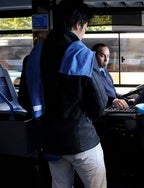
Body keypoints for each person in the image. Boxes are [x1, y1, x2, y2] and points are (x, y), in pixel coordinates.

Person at [19, 1, 108, 188]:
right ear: (78, 25)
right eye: (85, 28)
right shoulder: (81, 54)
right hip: (82, 141)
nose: (84, 33)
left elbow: (25, 100)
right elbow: (99, 101)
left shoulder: (35, 55)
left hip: (51, 141)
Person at [92, 43, 134, 109]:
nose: (106, 60)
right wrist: (112, 101)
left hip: (113, 106)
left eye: (108, 56)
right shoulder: (92, 74)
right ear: (94, 56)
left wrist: (127, 100)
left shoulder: (105, 72)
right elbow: (96, 95)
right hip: (105, 109)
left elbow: (114, 94)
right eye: (102, 56)